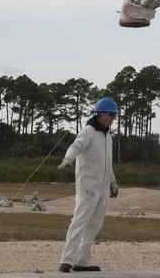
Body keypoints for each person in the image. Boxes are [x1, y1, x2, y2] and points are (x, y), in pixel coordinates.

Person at [58, 97, 119, 273]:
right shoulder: (89, 131)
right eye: (111, 114)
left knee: (94, 225)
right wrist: (68, 159)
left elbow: (107, 163)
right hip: (88, 186)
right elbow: (76, 146)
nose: (113, 118)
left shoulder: (107, 136)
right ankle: (67, 260)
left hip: (102, 189)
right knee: (80, 221)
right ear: (101, 114)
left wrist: (112, 182)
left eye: (115, 114)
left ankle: (82, 261)